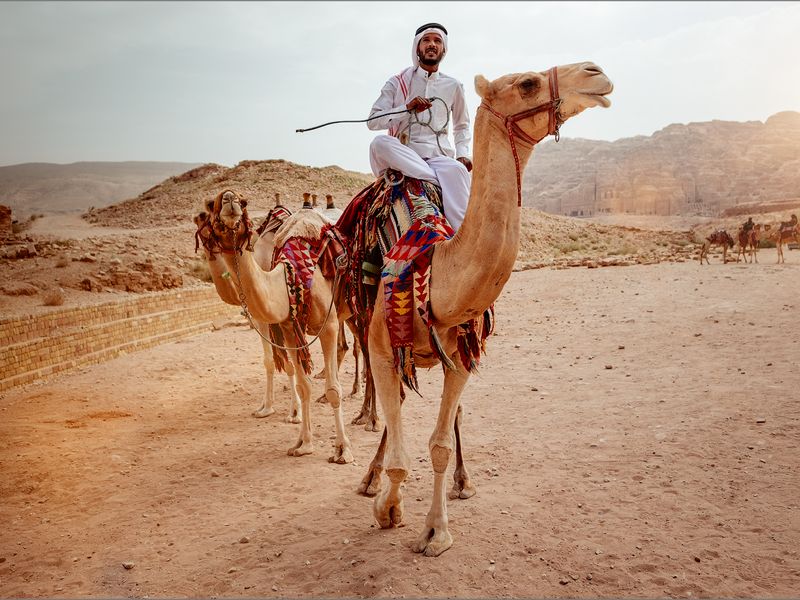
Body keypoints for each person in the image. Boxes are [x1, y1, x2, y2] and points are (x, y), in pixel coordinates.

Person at [366, 22, 472, 231]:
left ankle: (460, 238)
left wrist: (463, 153)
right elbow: (373, 121)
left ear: (443, 49)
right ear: (417, 47)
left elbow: (462, 125)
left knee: (459, 169)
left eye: (437, 41)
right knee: (379, 143)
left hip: (439, 158)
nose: (432, 45)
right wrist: (407, 107)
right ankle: (439, 180)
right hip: (405, 154)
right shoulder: (397, 83)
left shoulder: (454, 86)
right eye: (426, 40)